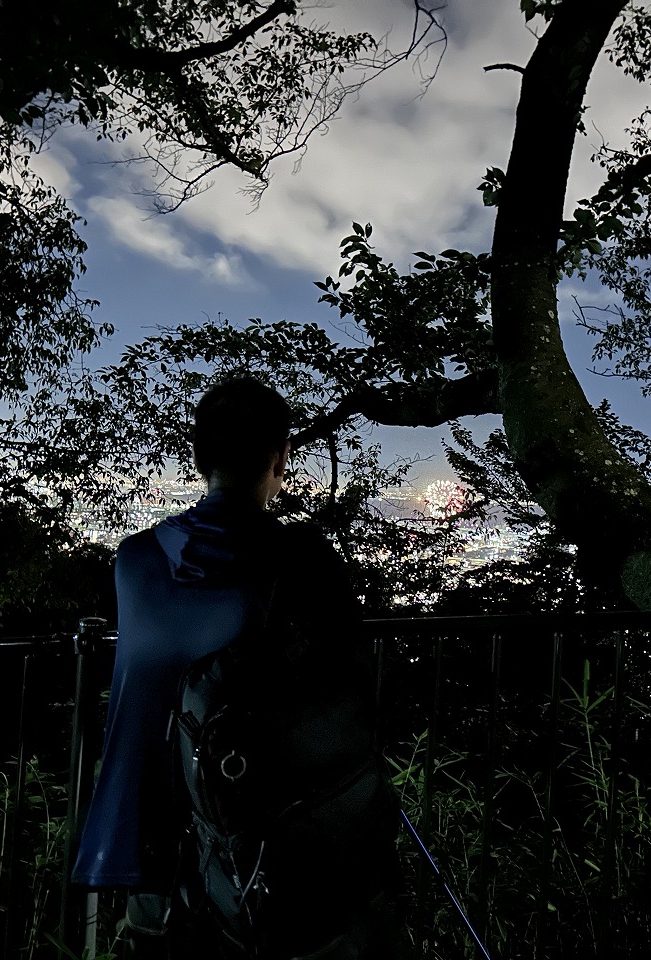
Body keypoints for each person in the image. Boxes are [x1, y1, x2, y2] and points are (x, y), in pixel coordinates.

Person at [71, 375, 404, 959]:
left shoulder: (135, 560)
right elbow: (352, 694)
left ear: (200, 457)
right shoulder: (302, 559)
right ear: (280, 459)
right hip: (262, 849)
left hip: (151, 848)